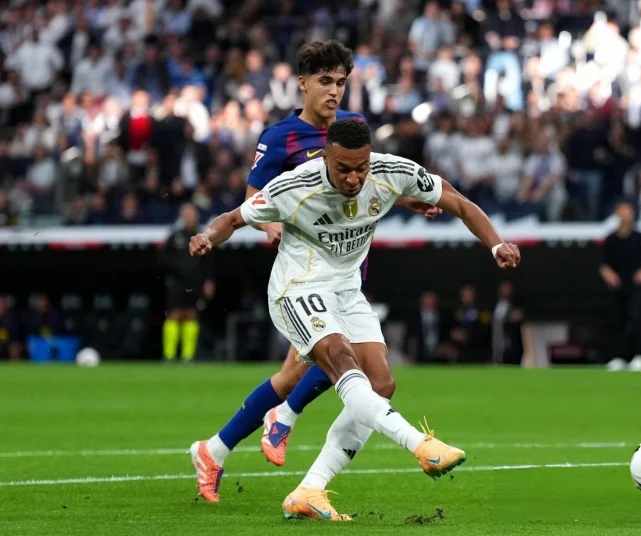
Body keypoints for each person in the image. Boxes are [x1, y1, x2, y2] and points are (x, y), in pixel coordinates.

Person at [189, 118, 521, 519]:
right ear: (326, 158)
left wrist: (496, 244)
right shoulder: (294, 187)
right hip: (298, 288)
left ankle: (310, 489)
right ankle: (420, 444)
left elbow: (457, 201)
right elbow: (231, 219)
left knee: (381, 384)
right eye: (343, 169)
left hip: (347, 290)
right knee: (340, 359)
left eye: (360, 168)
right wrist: (206, 237)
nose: (353, 178)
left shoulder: (390, 171)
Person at [189, 40, 440, 501]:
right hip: (305, 274)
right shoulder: (280, 137)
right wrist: (269, 227)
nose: (334, 91)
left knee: (303, 374)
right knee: (330, 365)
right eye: (325, 81)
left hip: (349, 268)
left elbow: (370, 180)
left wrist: (409, 200)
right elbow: (254, 201)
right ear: (302, 83)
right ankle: (272, 427)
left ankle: (221, 447)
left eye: (340, 82)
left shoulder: (353, 128)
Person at [599, 202, 641, 365]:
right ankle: (618, 357)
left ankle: (638, 356)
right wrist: (609, 275)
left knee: (636, 319)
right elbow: (602, 263)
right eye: (622, 213)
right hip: (618, 286)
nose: (625, 216)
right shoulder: (610, 239)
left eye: (628, 213)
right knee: (617, 321)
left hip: (636, 285)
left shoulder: (639, 238)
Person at [160, 203, 213, 362]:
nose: (190, 218)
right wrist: (177, 270)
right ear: (182, 217)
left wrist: (209, 281)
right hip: (177, 283)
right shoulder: (174, 237)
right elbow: (163, 259)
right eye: (187, 215)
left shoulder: (203, 236)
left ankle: (188, 356)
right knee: (174, 315)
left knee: (191, 315)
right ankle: (169, 355)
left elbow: (209, 262)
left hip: (195, 283)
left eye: (192, 215)